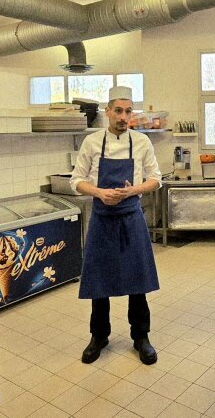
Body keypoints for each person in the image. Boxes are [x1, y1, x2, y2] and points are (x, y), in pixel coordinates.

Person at [69, 86, 162, 365]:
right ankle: (99, 336)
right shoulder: (92, 142)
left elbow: (155, 179)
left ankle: (141, 337)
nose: (123, 117)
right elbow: (76, 180)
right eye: (118, 111)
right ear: (107, 112)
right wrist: (100, 192)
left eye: (128, 111)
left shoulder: (142, 142)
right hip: (102, 219)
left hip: (131, 217)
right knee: (100, 280)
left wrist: (133, 190)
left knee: (137, 280)